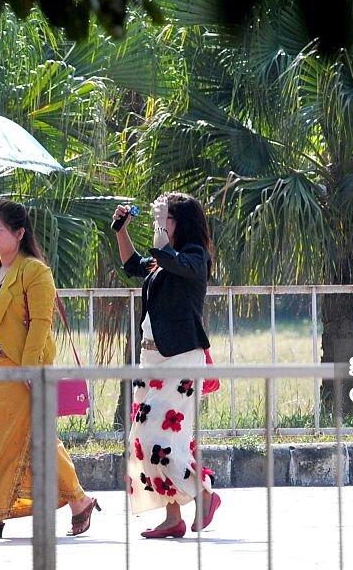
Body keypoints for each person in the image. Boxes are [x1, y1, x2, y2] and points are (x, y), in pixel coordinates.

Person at [0, 198, 99, 538]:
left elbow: (42, 323)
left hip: (22, 370)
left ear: (19, 233)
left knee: (24, 441)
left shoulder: (35, 271)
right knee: (10, 441)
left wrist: (30, 369)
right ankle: (79, 501)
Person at [113, 192, 220, 539]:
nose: (162, 224)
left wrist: (160, 237)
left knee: (160, 437)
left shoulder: (194, 256)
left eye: (167, 219)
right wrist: (121, 231)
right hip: (151, 359)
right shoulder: (164, 260)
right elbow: (134, 265)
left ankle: (203, 492)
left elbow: (174, 261)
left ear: (182, 223)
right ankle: (173, 516)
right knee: (145, 439)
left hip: (180, 357)